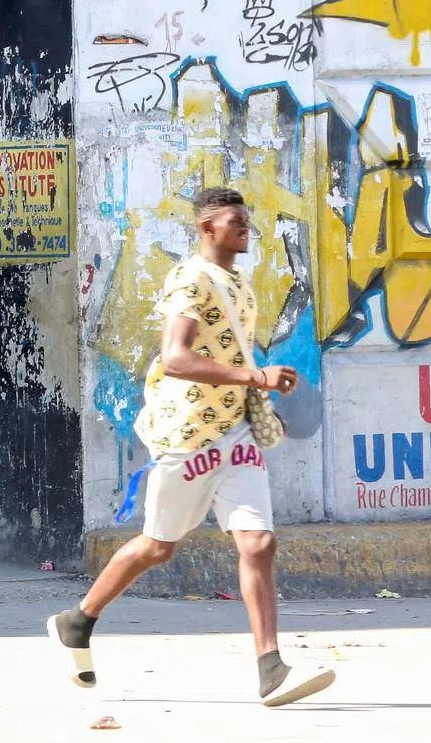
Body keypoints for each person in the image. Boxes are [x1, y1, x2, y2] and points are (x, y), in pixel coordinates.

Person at [46, 187, 336, 707]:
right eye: (235, 221)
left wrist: (260, 383)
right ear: (208, 228)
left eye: (247, 219)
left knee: (258, 543)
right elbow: (175, 358)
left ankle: (271, 667)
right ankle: (78, 620)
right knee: (158, 547)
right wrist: (253, 375)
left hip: (235, 433)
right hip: (188, 436)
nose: (246, 227)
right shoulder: (189, 279)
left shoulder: (239, 283)